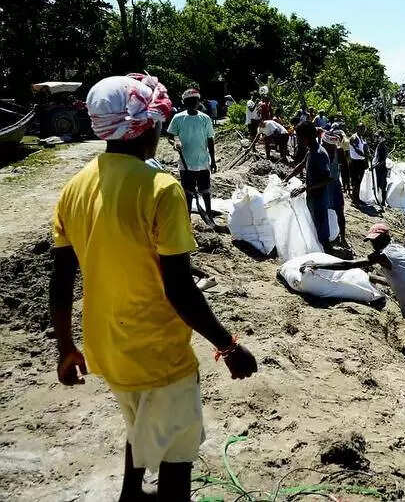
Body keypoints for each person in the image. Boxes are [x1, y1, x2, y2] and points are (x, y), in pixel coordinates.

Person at [50, 74, 257, 502]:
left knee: (139, 422)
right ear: (147, 126)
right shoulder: (162, 190)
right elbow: (180, 289)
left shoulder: (74, 188)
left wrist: (66, 347)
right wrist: (228, 345)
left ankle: (131, 493)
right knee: (176, 459)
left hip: (107, 349)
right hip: (157, 352)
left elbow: (61, 281)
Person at [304, 224, 405, 393]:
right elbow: (397, 276)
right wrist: (372, 278)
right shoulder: (399, 249)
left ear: (385, 238)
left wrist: (319, 265)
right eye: (372, 241)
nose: (373, 245)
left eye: (376, 241)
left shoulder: (383, 255)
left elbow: (348, 264)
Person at [166, 88, 216, 219]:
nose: (192, 103)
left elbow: (210, 139)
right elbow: (170, 135)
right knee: (187, 192)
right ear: (185, 102)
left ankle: (209, 214)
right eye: (189, 101)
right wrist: (174, 143)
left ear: (198, 101)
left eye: (194, 100)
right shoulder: (178, 118)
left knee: (205, 190)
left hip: (203, 162)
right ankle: (187, 218)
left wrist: (213, 160)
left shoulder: (205, 118)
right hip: (185, 162)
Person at [286, 121, 333, 250]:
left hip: (319, 197)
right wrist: (287, 178)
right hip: (311, 195)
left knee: (320, 226)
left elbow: (328, 179)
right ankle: (317, 247)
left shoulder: (319, 153)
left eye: (299, 137)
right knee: (312, 223)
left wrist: (305, 187)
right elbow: (301, 165)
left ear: (306, 137)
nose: (298, 140)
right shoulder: (310, 150)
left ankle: (326, 250)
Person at [319, 129, 348, 248]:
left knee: (339, 211)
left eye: (331, 147)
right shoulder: (320, 151)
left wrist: (346, 182)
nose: (329, 149)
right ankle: (326, 237)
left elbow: (345, 167)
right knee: (323, 211)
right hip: (323, 185)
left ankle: (343, 237)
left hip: (334, 185)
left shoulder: (339, 151)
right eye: (326, 146)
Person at [349, 123, 368, 203]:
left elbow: (364, 148)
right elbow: (357, 149)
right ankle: (354, 199)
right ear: (357, 128)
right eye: (361, 128)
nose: (362, 130)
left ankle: (357, 198)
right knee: (355, 181)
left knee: (359, 181)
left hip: (361, 162)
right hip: (355, 162)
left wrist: (366, 158)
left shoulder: (361, 138)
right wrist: (365, 155)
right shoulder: (354, 137)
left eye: (363, 129)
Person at [331, 122, 351, 195]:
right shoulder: (342, 132)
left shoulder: (333, 131)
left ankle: (340, 187)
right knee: (345, 171)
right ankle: (346, 188)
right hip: (344, 151)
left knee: (337, 170)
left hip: (339, 151)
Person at [372, 131, 389, 207]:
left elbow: (383, 160)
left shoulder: (383, 146)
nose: (376, 138)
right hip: (379, 168)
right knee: (378, 185)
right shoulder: (379, 145)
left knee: (382, 186)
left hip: (382, 169)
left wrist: (374, 166)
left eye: (377, 136)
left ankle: (383, 202)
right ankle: (379, 200)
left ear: (381, 137)